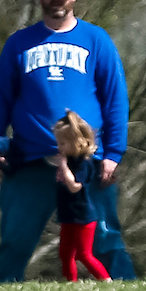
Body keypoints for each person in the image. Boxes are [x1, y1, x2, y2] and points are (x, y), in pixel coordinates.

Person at [0, 0, 133, 283]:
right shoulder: (20, 43)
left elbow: (115, 98)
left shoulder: (96, 40)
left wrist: (113, 154)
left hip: (86, 160)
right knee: (15, 238)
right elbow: (0, 96)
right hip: (32, 158)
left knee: (103, 238)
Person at [48, 111, 111, 282]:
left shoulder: (84, 163)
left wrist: (63, 167)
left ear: (77, 142)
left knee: (84, 254)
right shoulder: (68, 160)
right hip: (68, 216)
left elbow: (75, 186)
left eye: (62, 143)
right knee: (65, 253)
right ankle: (71, 283)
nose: (59, 147)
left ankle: (106, 280)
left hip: (83, 217)